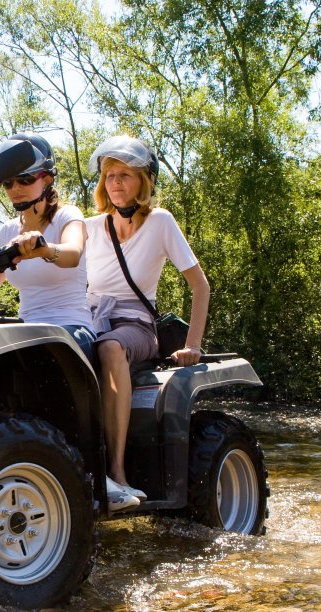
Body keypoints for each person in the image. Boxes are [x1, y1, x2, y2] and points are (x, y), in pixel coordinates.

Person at [85, 135, 210, 511]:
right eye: (109, 175)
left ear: (144, 181)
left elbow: (201, 286)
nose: (116, 183)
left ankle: (118, 474)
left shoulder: (160, 222)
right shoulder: (89, 227)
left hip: (135, 325)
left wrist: (193, 344)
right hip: (91, 317)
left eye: (125, 174)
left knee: (110, 348)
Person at [0, 132, 96, 359]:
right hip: (26, 332)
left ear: (47, 178)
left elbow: (72, 254)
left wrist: (43, 249)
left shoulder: (67, 215)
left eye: (25, 179)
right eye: (7, 182)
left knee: (37, 356)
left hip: (71, 328)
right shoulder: (8, 231)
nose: (15, 188)